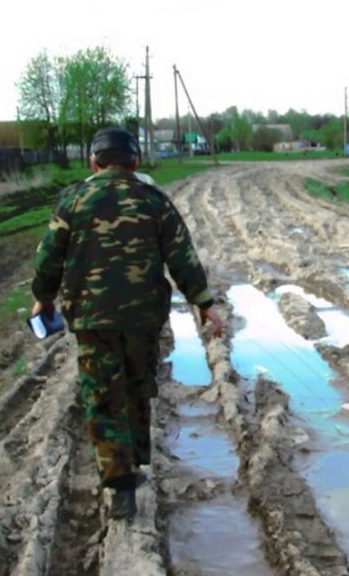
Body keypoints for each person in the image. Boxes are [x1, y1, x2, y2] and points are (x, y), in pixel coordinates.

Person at [31, 127, 222, 520]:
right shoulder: (153, 200)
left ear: (93, 162)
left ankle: (120, 486)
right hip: (143, 317)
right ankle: (134, 460)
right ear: (135, 162)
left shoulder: (73, 200)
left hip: (92, 318)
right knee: (137, 386)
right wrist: (203, 302)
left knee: (102, 397)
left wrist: (43, 297)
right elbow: (181, 255)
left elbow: (48, 258)